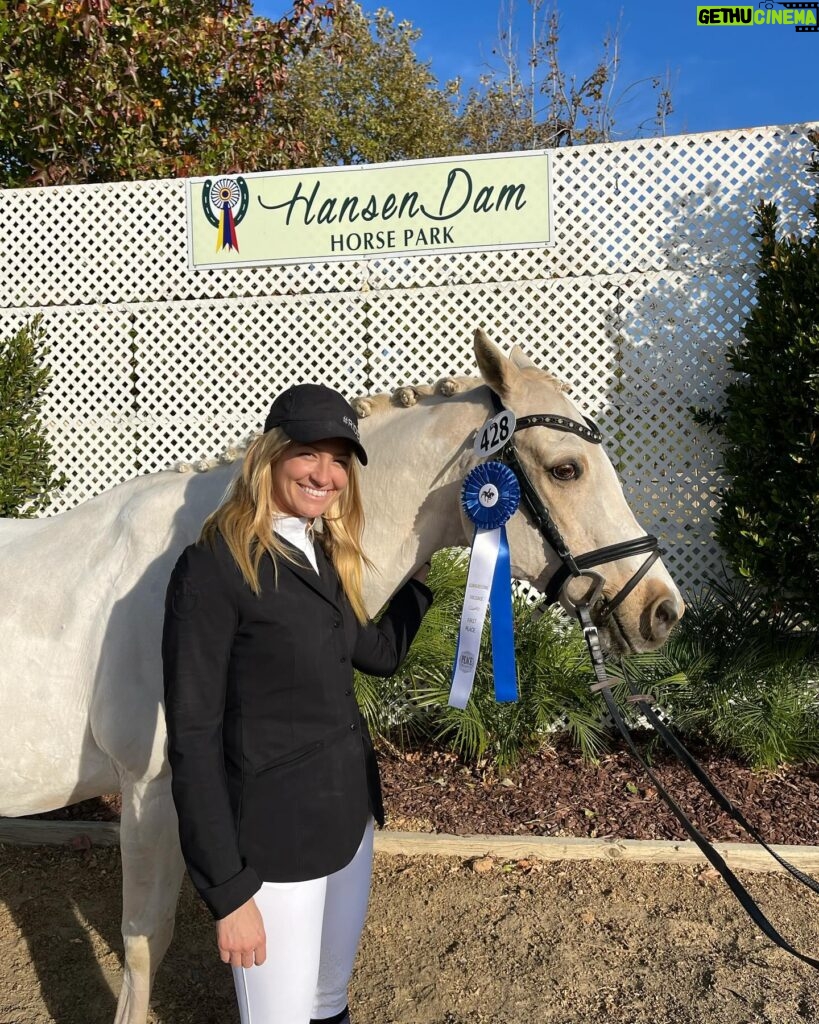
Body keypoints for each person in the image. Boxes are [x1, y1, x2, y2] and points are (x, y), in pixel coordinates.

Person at [162, 383, 433, 1024]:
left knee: (327, 1005)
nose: (327, 473)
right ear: (271, 454)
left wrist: (421, 576)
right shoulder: (212, 569)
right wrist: (228, 894)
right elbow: (192, 740)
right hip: (274, 846)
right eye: (310, 453)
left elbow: (378, 654)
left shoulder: (321, 554)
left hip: (347, 824)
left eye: (341, 459)